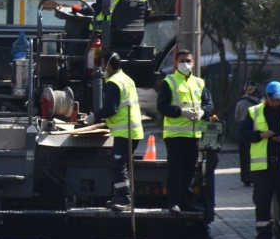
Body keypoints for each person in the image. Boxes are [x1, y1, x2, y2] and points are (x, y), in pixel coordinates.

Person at [157, 49, 214, 213]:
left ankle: (186, 202)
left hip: (194, 134)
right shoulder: (169, 82)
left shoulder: (199, 83)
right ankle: (173, 203)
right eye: (182, 61)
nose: (185, 64)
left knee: (190, 170)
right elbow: (162, 106)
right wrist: (182, 112)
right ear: (176, 63)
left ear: (194, 62)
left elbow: (209, 104)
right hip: (175, 135)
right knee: (175, 170)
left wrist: (203, 112)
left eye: (188, 60)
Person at [85, 52, 143, 211]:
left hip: (125, 131)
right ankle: (121, 196)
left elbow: (111, 108)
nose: (101, 68)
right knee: (123, 165)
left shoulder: (113, 82)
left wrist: (95, 116)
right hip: (134, 130)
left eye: (102, 64)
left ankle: (124, 199)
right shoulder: (127, 79)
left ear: (109, 66)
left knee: (117, 165)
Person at [238, 81, 280, 239]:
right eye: (272, 100)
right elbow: (243, 135)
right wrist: (260, 135)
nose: (275, 103)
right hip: (263, 168)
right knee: (262, 204)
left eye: (278, 100)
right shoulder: (254, 111)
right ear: (266, 97)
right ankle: (263, 238)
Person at [235, 80, 261, 186]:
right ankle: (255, 176)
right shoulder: (259, 103)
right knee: (254, 154)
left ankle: (246, 178)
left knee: (244, 154)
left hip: (243, 130)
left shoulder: (240, 102)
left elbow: (236, 118)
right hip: (254, 129)